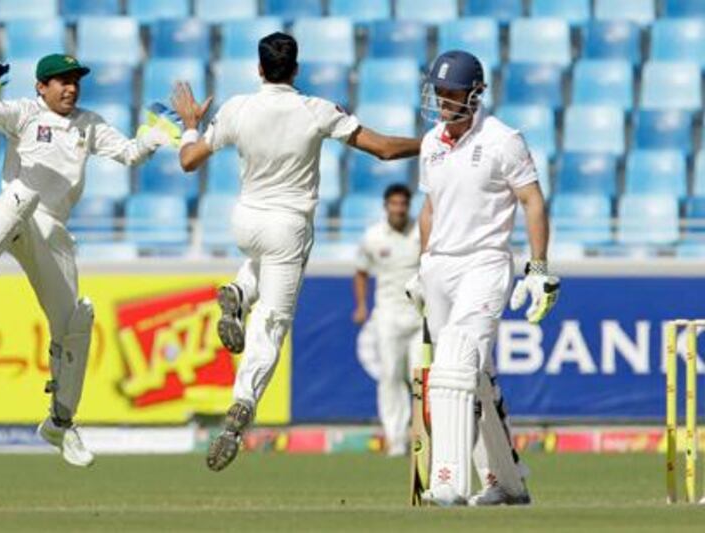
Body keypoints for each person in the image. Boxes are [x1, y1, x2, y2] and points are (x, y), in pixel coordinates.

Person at [172, 32, 421, 472]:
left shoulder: (237, 108)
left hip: (246, 223)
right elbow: (383, 149)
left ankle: (238, 290)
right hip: (288, 227)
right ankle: (242, 404)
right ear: (297, 70)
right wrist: (432, 143)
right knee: (272, 325)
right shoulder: (315, 109)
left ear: (260, 69)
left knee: (260, 265)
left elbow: (189, 160)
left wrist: (190, 123)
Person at [0, 54, 178, 467]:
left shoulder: (89, 122)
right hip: (17, 217)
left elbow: (129, 153)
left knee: (76, 322)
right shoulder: (25, 113)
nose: (70, 88)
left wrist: (157, 135)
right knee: (18, 195)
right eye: (60, 81)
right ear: (40, 87)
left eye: (74, 81)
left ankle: (60, 423)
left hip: (54, 234)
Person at [416, 50, 560, 506]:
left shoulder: (503, 140)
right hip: (439, 266)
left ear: (475, 94)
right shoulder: (430, 144)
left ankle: (448, 480)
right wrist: (420, 267)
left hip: (485, 262)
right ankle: (506, 482)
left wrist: (538, 268)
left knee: (456, 363)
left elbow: (532, 201)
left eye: (452, 92)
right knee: (475, 378)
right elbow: (430, 209)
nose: (443, 101)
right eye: (438, 92)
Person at [352, 183, 421, 457]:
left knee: (420, 377)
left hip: (419, 314)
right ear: (386, 206)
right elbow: (360, 271)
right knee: (390, 375)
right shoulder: (373, 236)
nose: (399, 209)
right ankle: (395, 439)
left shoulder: (421, 231)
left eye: (403, 204)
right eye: (394, 204)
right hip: (388, 314)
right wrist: (361, 306)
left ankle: (423, 435)